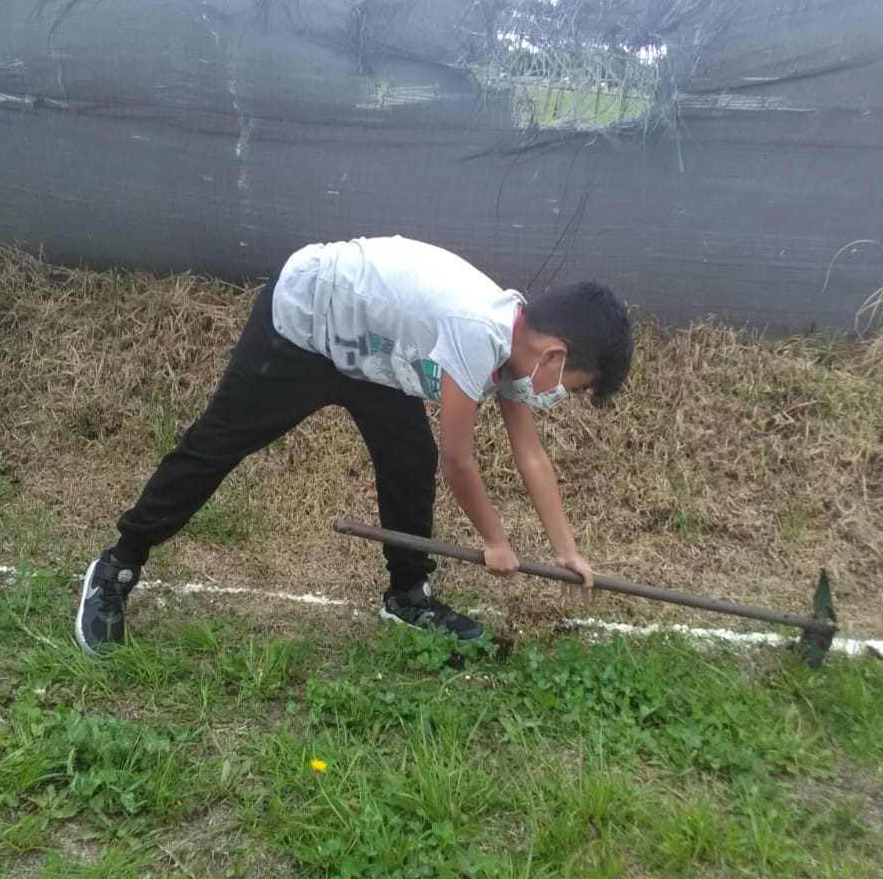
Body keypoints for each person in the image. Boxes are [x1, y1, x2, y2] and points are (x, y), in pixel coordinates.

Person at [75, 235, 632, 654]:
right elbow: (458, 460)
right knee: (217, 445)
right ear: (554, 355)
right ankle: (118, 566)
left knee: (408, 460)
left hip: (372, 352)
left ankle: (408, 596)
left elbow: (529, 454)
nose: (559, 395)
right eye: (570, 386)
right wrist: (495, 541)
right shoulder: (479, 330)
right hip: (304, 323)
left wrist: (566, 550)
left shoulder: (516, 345)